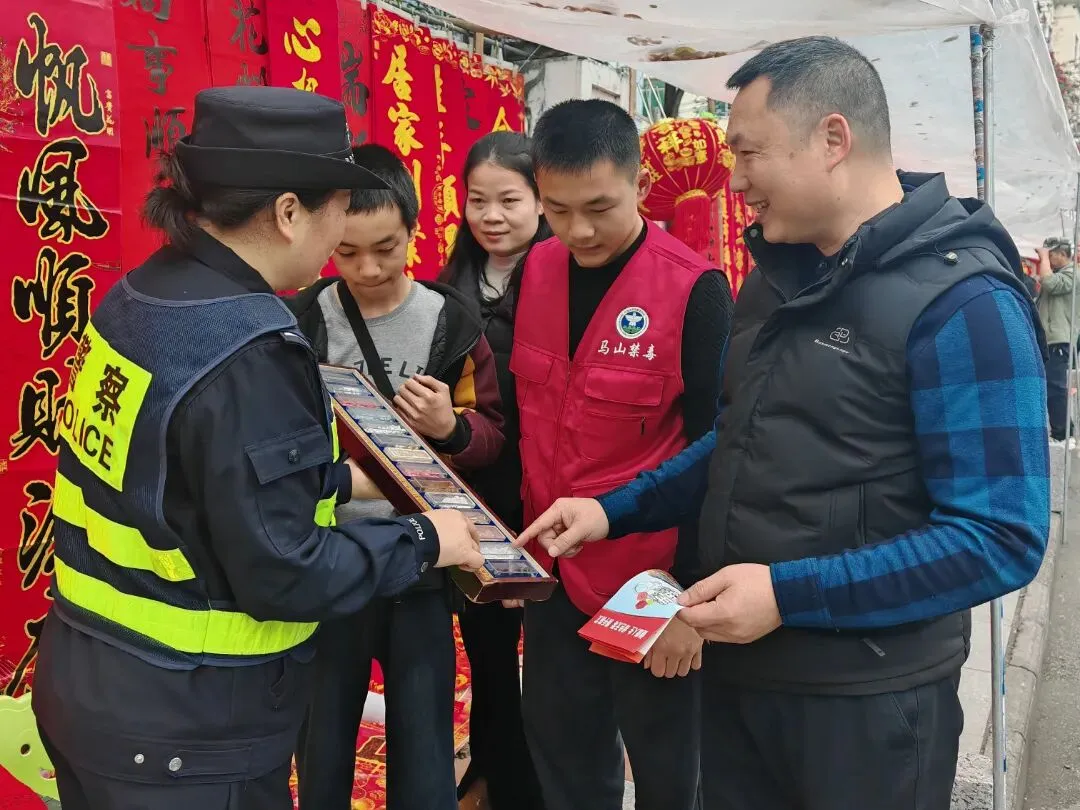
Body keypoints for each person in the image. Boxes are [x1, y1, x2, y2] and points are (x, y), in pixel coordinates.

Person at [518, 37, 1050, 810]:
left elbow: (999, 537)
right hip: (742, 682)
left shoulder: (963, 303)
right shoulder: (774, 282)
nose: (734, 179)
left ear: (832, 139)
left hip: (864, 706)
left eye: (748, 152)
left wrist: (787, 594)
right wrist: (613, 510)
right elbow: (736, 441)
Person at [29, 86, 484, 810]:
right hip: (191, 727)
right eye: (341, 208)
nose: (342, 236)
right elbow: (287, 573)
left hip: (90, 678)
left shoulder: (142, 294)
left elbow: (188, 479)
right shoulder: (251, 347)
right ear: (290, 212)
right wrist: (429, 540)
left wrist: (339, 482)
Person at [512, 98, 734, 810]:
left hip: (648, 582)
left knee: (669, 772)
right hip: (551, 574)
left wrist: (685, 602)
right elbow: (527, 421)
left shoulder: (694, 290)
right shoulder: (536, 269)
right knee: (566, 764)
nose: (578, 230)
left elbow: (719, 453)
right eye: (557, 209)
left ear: (639, 186)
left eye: (599, 208)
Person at [289, 143, 504, 810]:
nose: (368, 269)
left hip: (420, 562)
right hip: (330, 559)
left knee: (424, 743)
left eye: (386, 248)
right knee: (320, 740)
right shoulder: (303, 320)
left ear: (414, 229)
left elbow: (492, 437)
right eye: (347, 252)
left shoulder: (451, 323)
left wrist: (450, 427)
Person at [438, 131, 551, 810]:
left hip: (543, 493)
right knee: (485, 649)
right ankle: (492, 770)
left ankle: (537, 783)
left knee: (550, 658)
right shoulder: (449, 284)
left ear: (540, 200)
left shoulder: (561, 277)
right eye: (477, 200)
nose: (491, 215)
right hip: (472, 490)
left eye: (509, 200)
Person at [1036, 236, 1075, 442]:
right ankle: (1063, 429)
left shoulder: (1073, 274)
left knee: (1056, 387)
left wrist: (1042, 258)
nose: (1048, 259)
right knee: (1053, 386)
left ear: (1062, 254)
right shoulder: (1061, 274)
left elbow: (1050, 283)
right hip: (1051, 339)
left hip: (1059, 339)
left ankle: (1062, 432)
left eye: (1051, 255)